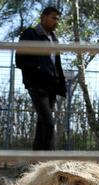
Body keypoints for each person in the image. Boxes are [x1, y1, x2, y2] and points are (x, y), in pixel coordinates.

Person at [15, 6, 66, 150]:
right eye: (53, 18)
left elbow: (56, 64)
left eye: (58, 19)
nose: (56, 22)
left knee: (43, 124)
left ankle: (36, 162)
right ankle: (50, 161)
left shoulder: (54, 39)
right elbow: (20, 60)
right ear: (43, 17)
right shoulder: (30, 34)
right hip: (37, 85)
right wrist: (38, 71)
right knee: (49, 124)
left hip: (52, 86)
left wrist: (59, 83)